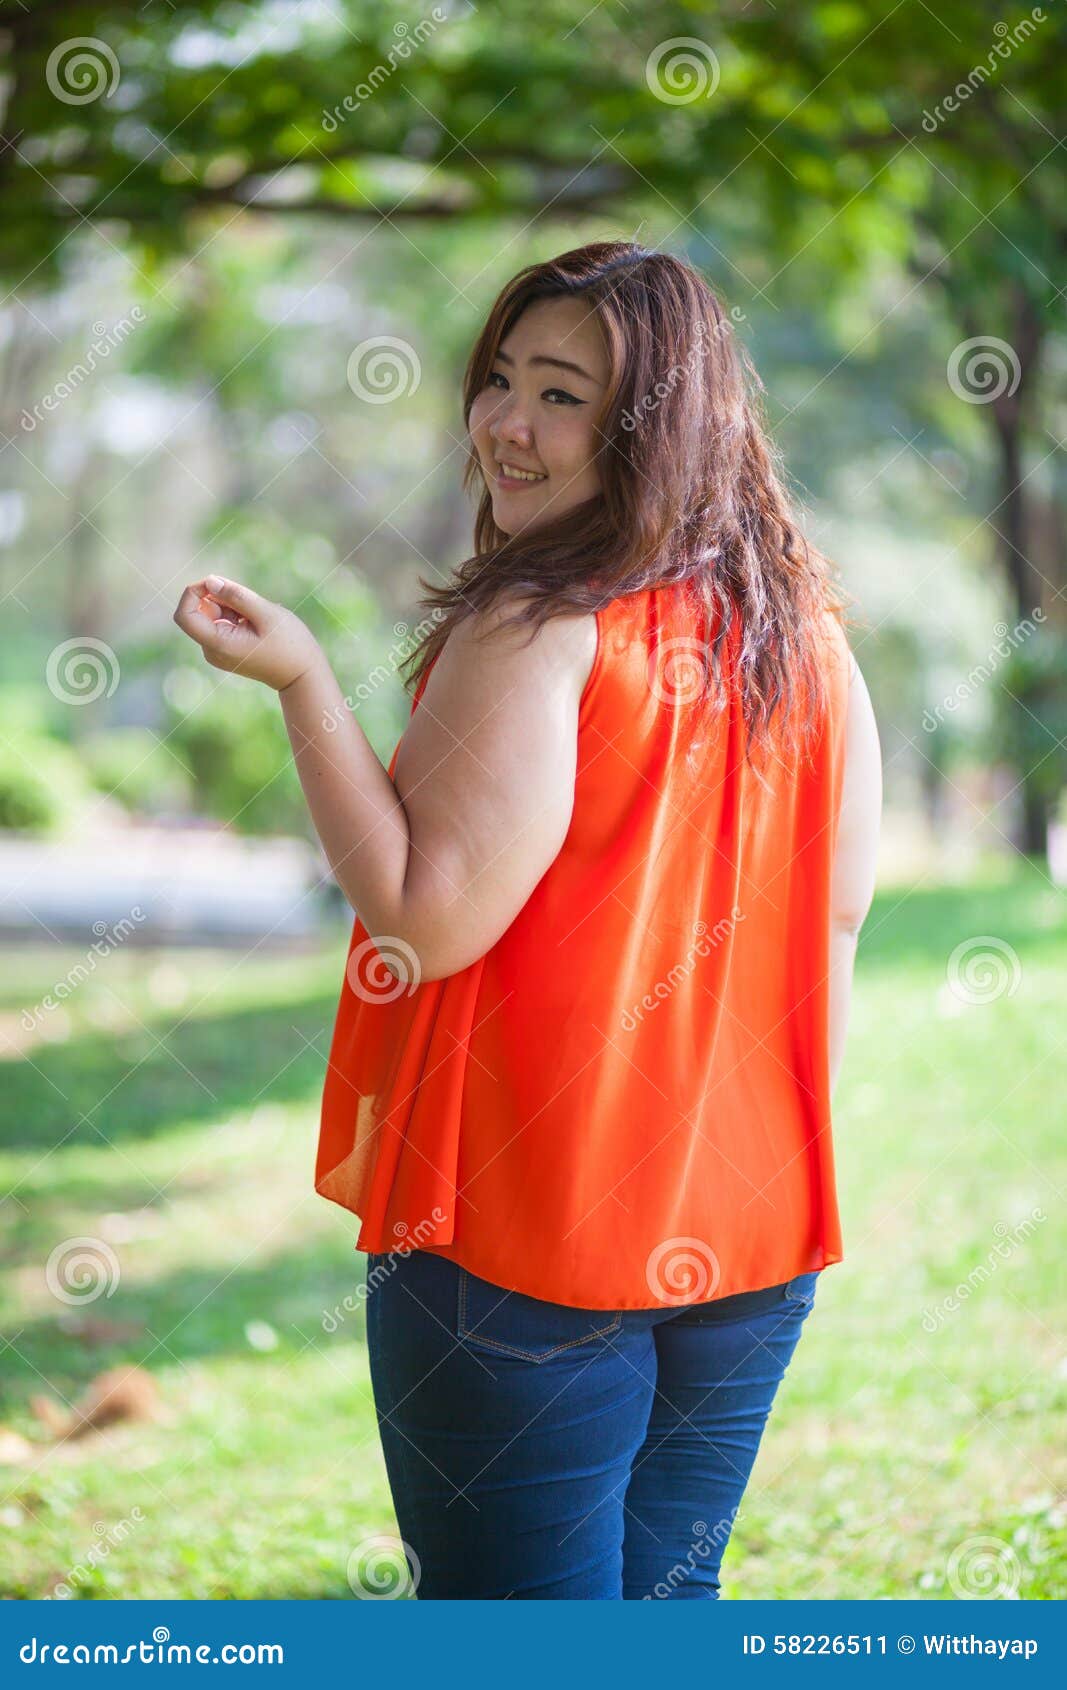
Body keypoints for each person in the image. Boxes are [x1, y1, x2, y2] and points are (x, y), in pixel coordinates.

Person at [173, 240, 882, 1600]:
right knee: (667, 1620)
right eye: (499, 378)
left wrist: (304, 681)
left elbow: (421, 919)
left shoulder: (541, 621)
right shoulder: (809, 637)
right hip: (746, 1234)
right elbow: (837, 923)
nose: (505, 422)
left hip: (519, 1237)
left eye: (562, 395)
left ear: (655, 424)